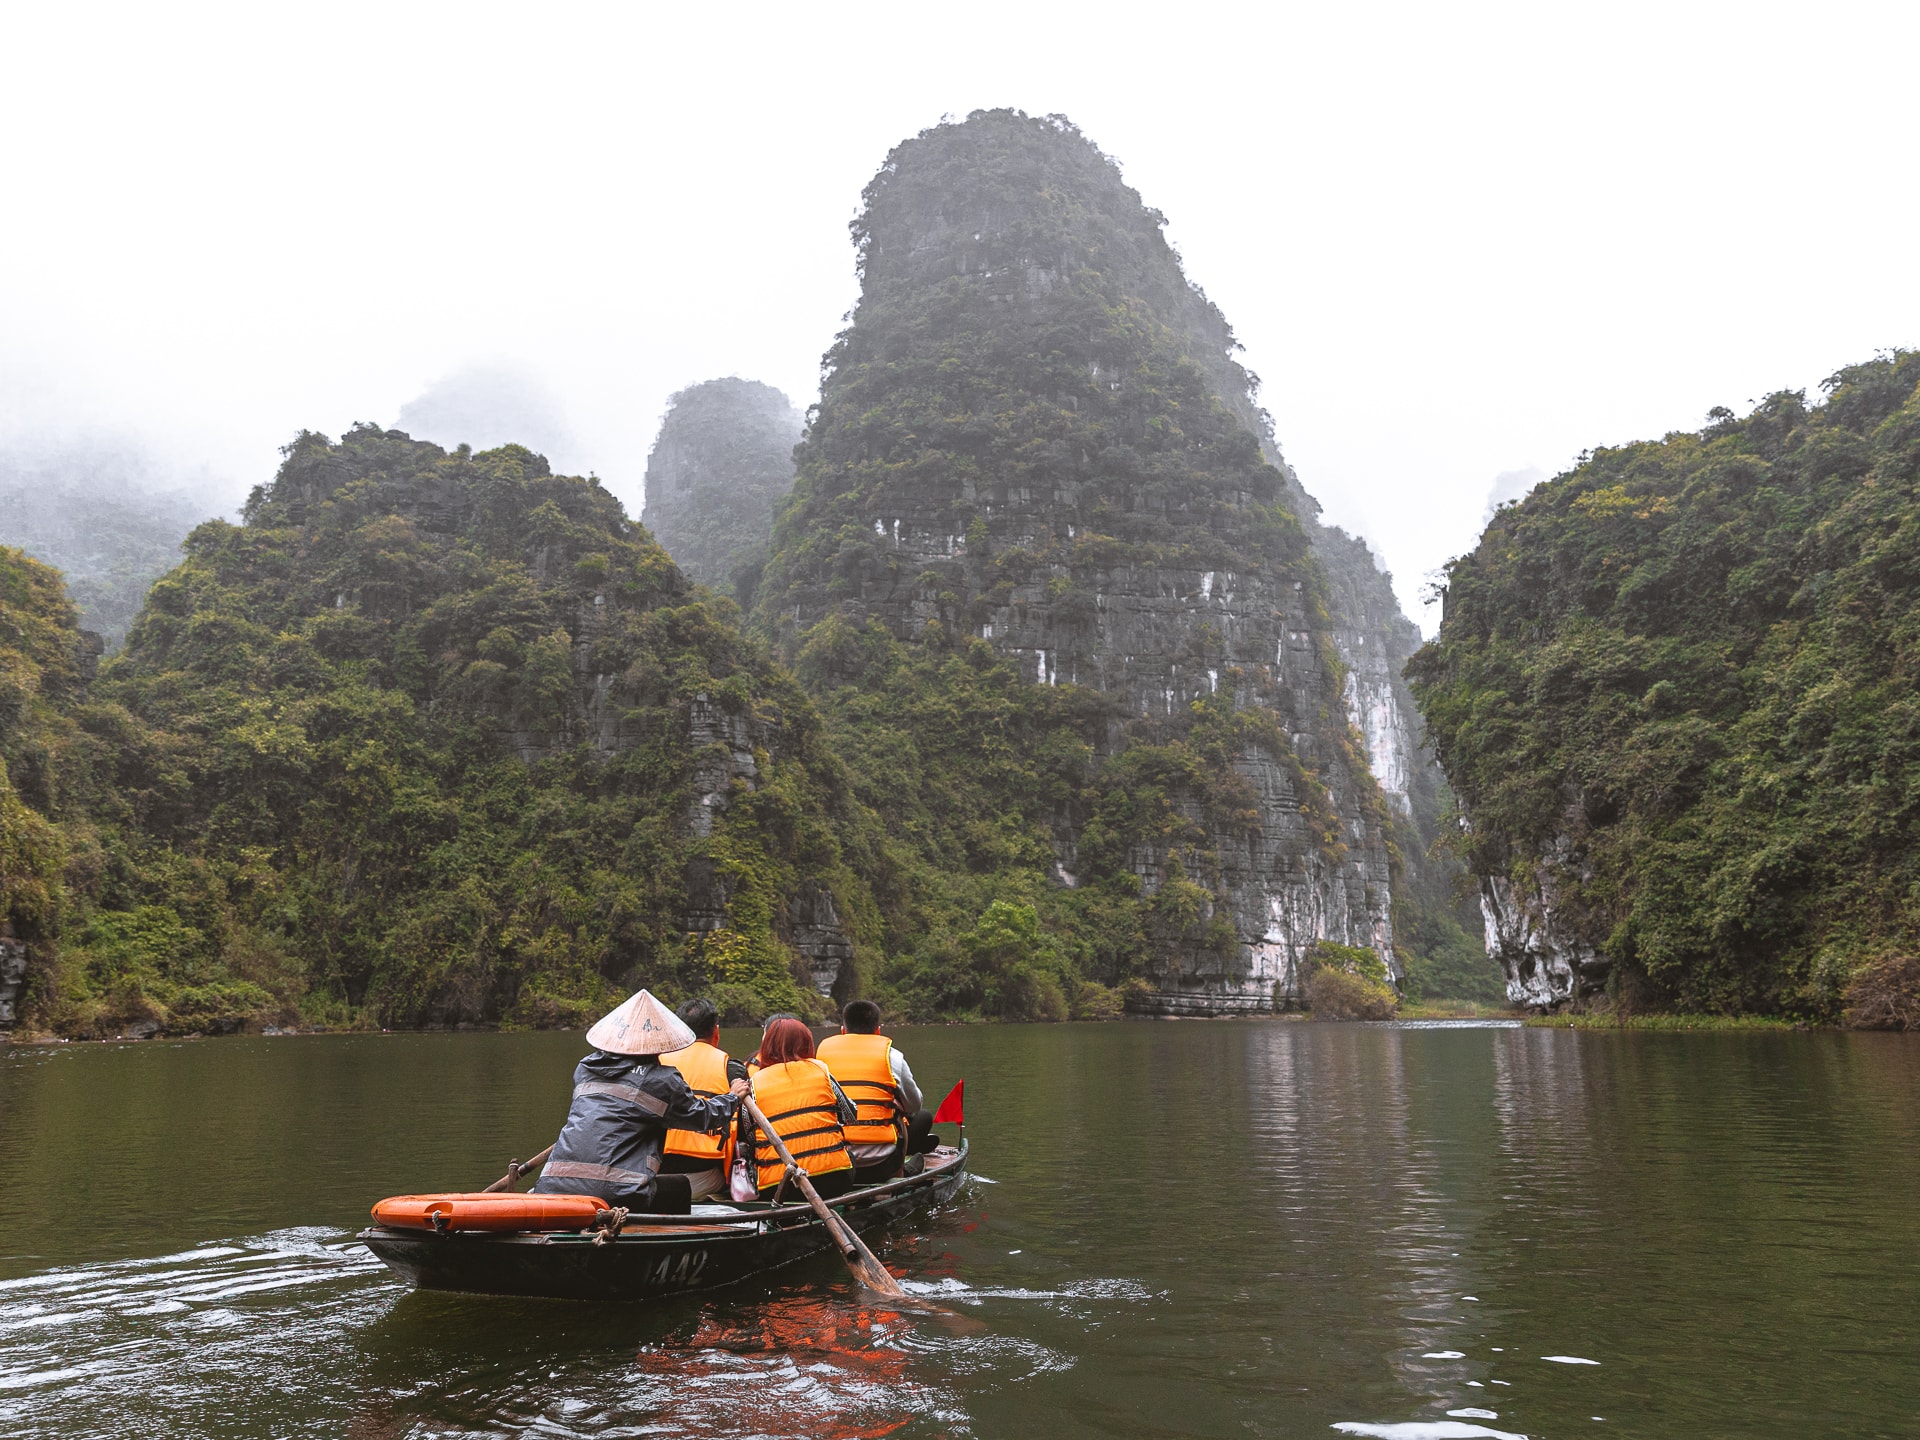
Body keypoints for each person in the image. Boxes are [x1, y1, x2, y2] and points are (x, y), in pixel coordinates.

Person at [531, 989, 749, 1215]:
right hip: (615, 1192)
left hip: (552, 1185)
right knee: (679, 1187)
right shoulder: (660, 1080)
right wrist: (732, 1096)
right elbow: (704, 1118)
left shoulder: (586, 1068)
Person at [816, 999, 939, 1184]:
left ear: (843, 1030)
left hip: (834, 1161)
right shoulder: (893, 1057)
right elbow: (914, 1105)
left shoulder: (819, 1058)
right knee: (922, 1116)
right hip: (881, 1164)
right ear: (878, 1030)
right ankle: (902, 1172)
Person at [746, 1017, 856, 1201]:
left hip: (777, 1188)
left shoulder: (753, 1083)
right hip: (832, 1179)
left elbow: (749, 1136)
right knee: (849, 1156)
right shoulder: (821, 1070)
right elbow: (851, 1116)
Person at [656, 997, 748, 1199]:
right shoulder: (732, 1070)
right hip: (704, 1177)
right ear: (716, 1032)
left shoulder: (655, 1064)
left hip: (652, 1175)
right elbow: (746, 1128)